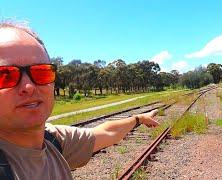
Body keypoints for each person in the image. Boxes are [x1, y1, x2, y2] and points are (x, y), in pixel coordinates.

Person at [0, 21, 159, 180]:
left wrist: (139, 118)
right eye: (5, 75)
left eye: (41, 72)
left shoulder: (54, 139)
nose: (28, 86)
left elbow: (107, 132)